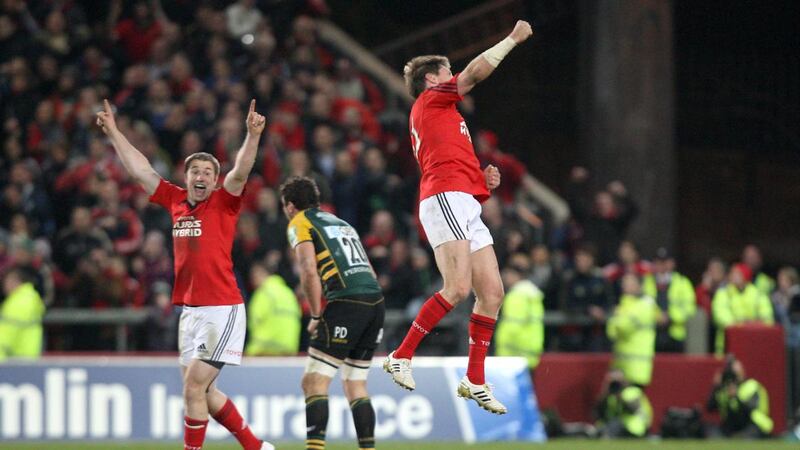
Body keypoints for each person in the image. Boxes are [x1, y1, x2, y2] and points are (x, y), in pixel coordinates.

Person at [96, 99, 273, 450]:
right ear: (187, 176)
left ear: (215, 179)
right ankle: (256, 447)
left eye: (208, 171)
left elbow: (240, 172)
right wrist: (115, 133)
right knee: (203, 392)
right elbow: (141, 170)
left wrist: (252, 137)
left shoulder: (224, 201)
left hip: (221, 308)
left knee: (194, 387)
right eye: (196, 171)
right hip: (190, 310)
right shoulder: (174, 200)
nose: (202, 176)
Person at [383, 19, 534, 415]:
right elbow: (475, 73)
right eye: (447, 71)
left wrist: (482, 180)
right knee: (457, 289)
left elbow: (446, 158)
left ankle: (475, 379)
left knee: (493, 294)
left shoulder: (445, 115)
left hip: (462, 198)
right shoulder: (430, 100)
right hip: (444, 197)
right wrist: (512, 39)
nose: (454, 76)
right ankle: (400, 355)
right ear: (432, 79)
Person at [281, 176, 385, 450]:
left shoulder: (299, 223)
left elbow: (307, 269)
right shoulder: (342, 223)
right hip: (375, 302)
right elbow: (369, 271)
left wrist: (316, 315)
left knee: (313, 380)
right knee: (355, 383)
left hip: (347, 301)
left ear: (290, 207)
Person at [607, 273, 660, 387]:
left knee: (631, 397)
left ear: (639, 285)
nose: (626, 286)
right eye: (624, 283)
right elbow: (611, 332)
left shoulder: (645, 305)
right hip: (621, 364)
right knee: (617, 400)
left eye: (630, 283)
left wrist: (617, 317)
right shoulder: (624, 305)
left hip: (637, 366)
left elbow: (623, 327)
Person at [495, 256, 544, 375]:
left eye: (507, 274)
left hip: (513, 354)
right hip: (529, 353)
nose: (505, 277)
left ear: (516, 275)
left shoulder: (517, 296)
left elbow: (512, 326)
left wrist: (500, 346)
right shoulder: (532, 294)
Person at [711, 263, 774, 355]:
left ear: (745, 276)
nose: (733, 276)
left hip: (753, 343)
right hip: (728, 343)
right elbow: (720, 315)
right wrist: (741, 324)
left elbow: (767, 317)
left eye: (737, 274)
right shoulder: (723, 293)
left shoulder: (757, 294)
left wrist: (754, 324)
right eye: (732, 273)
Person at [642, 248, 696, 352]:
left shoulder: (682, 283)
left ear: (672, 263)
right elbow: (642, 305)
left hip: (676, 335)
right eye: (658, 262)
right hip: (651, 333)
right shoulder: (646, 282)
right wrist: (657, 316)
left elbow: (689, 308)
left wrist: (670, 316)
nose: (662, 266)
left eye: (665, 262)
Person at [707, 355, 773, 438]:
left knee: (743, 438)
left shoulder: (752, 386)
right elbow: (710, 407)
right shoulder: (724, 390)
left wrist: (735, 397)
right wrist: (716, 387)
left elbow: (747, 412)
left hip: (754, 425)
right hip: (732, 427)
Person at [244, 261, 301, 356]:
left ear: (262, 273)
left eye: (254, 276)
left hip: (263, 349)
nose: (252, 281)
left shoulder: (263, 293)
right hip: (289, 348)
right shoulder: (288, 292)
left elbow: (254, 321)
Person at [0, 267, 46, 361]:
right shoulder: (30, 298)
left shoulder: (19, 302)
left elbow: (6, 333)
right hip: (28, 355)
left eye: (6, 281)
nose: (4, 285)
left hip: (15, 359)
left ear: (15, 281)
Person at [595, 369, 653, 438]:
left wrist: (620, 397)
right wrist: (605, 393)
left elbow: (633, 410)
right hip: (617, 425)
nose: (615, 385)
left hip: (633, 427)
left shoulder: (632, 392)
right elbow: (599, 412)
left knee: (614, 425)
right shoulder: (610, 395)